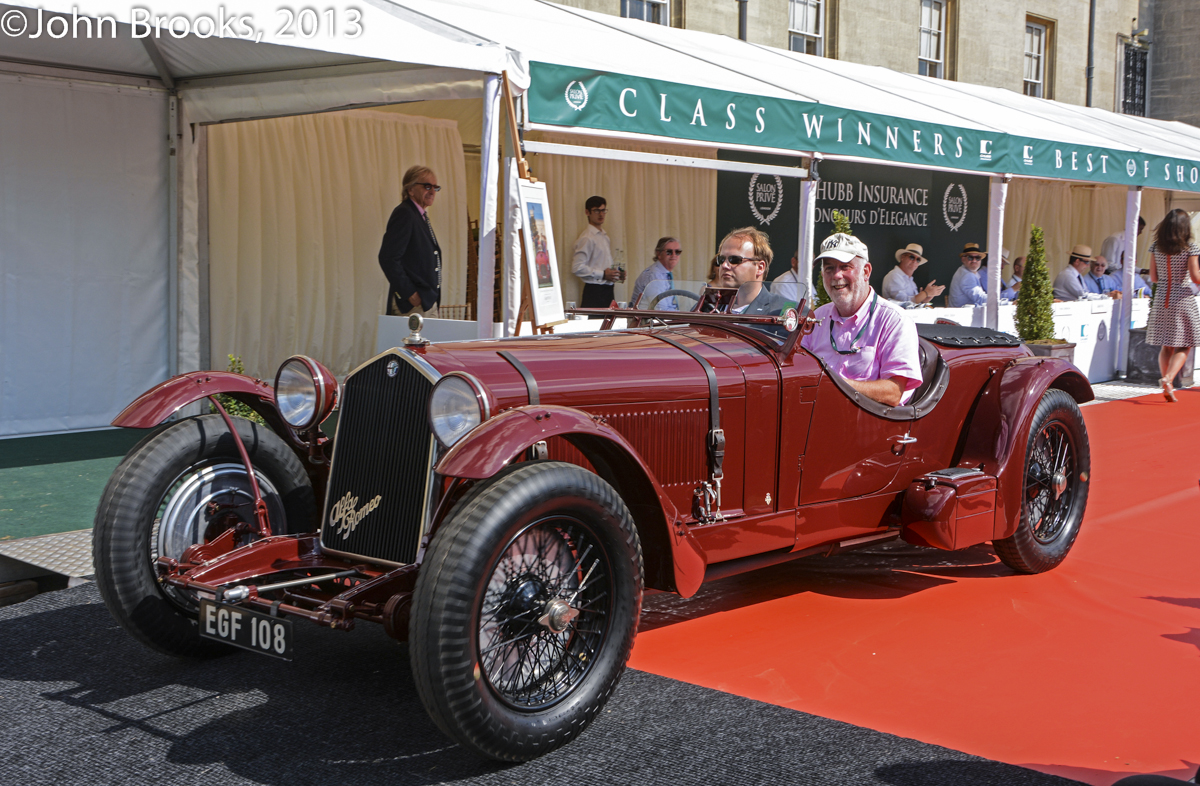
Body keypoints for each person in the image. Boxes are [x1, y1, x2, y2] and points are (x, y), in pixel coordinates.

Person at [799, 233, 922, 406]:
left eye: (845, 267)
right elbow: (798, 371)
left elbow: (893, 392)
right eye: (829, 268)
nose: (836, 275)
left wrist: (833, 385)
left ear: (866, 271)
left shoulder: (895, 321)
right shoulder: (816, 317)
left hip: (868, 426)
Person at [1145, 208, 1200, 402]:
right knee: (1186, 345)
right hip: (1182, 298)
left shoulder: (1155, 247)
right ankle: (1168, 379)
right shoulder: (1190, 248)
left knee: (1166, 346)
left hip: (1161, 299)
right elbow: (1195, 277)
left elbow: (1153, 277)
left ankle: (1167, 386)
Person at [378, 165, 442, 317]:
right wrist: (409, 293)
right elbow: (388, 258)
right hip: (412, 306)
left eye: (435, 187)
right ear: (410, 189)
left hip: (425, 302)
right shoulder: (405, 213)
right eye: (427, 186)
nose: (432, 191)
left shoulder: (420, 215)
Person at [713, 226, 787, 315]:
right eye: (721, 259)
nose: (724, 265)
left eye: (734, 259)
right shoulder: (706, 308)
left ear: (760, 267)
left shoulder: (783, 312)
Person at [572, 195, 623, 308]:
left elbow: (602, 263)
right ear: (587, 212)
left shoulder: (605, 236)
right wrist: (603, 274)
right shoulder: (587, 238)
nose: (601, 214)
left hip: (608, 291)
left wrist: (616, 274)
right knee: (595, 325)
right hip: (594, 292)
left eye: (603, 210)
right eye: (596, 210)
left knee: (611, 325)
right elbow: (577, 267)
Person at [881, 243, 944, 307]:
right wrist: (925, 293)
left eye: (918, 259)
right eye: (912, 257)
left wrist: (924, 299)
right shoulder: (894, 276)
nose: (914, 261)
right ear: (903, 257)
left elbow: (913, 304)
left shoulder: (911, 280)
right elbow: (903, 303)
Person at [631, 236, 682, 310]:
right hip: (647, 320)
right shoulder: (654, 275)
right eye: (669, 252)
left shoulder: (665, 274)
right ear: (659, 254)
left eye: (677, 252)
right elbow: (660, 309)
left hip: (660, 318)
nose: (674, 255)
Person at [948, 243, 988, 307]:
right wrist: (998, 300)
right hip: (963, 315)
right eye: (970, 257)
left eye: (977, 258)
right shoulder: (967, 275)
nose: (974, 260)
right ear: (963, 259)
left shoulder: (964, 271)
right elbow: (979, 298)